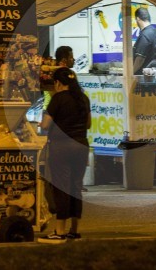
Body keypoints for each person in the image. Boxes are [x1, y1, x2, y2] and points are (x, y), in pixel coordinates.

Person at [38, 67, 91, 244]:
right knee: (75, 187)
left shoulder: (57, 99)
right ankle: (73, 230)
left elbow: (45, 125)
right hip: (81, 145)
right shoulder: (83, 98)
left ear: (58, 83)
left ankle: (59, 231)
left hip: (61, 147)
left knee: (61, 187)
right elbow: (88, 124)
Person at [133, 7, 156, 75]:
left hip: (144, 77)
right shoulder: (155, 33)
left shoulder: (144, 35)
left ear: (137, 19)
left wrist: (130, 74)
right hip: (154, 75)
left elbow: (140, 59)